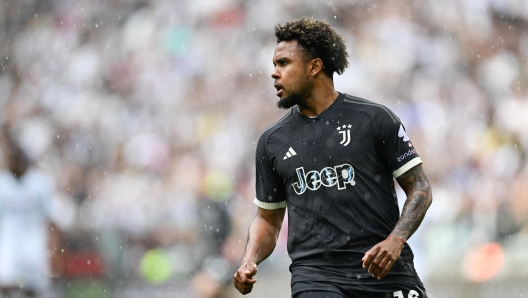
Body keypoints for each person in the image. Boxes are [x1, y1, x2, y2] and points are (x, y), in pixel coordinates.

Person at [233, 17, 433, 298]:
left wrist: (396, 239)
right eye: (274, 64)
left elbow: (420, 188)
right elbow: (268, 219)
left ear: (315, 66)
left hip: (385, 271)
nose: (274, 73)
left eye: (284, 63)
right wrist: (249, 258)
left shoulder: (374, 119)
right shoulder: (272, 142)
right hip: (316, 278)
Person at [0, 134, 56, 298]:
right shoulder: (3, 183)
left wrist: (53, 243)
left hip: (34, 238)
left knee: (34, 284)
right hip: (9, 238)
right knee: (6, 279)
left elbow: (49, 215)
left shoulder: (39, 182)